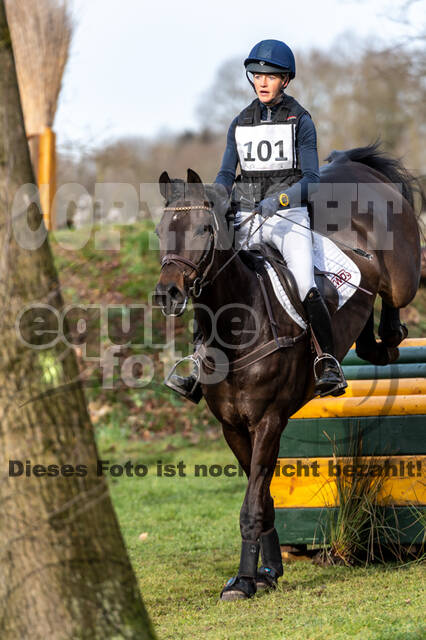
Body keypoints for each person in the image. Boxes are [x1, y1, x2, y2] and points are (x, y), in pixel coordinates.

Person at [164, 39, 347, 402]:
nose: (262, 82)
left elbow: (311, 179)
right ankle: (199, 365)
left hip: (287, 216)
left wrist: (278, 200)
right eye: (257, 75)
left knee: (305, 283)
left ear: (286, 81)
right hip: (245, 216)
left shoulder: (301, 121)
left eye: (271, 76)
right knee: (212, 279)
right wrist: (212, 197)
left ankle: (327, 363)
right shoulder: (240, 122)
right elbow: (225, 174)